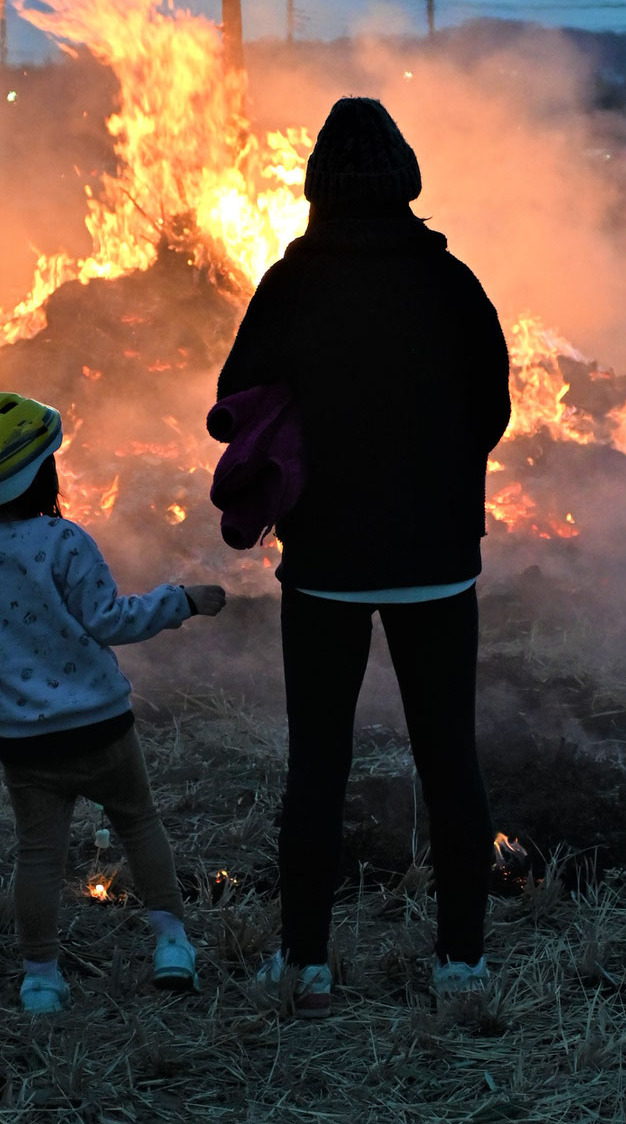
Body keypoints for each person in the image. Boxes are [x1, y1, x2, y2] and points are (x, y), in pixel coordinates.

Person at [215, 98, 511, 1018]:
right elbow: (493, 407)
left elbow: (239, 397)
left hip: (326, 567)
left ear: (317, 186)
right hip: (437, 561)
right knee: (448, 758)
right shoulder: (451, 281)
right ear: (406, 178)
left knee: (319, 762)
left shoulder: (289, 284)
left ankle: (304, 963)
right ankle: (460, 962)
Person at [0, 392, 226, 1014]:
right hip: (101, 726)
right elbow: (110, 620)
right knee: (139, 823)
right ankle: (173, 944)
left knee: (38, 854)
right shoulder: (64, 540)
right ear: (44, 474)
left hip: (24, 741)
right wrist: (183, 600)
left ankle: (40, 978)